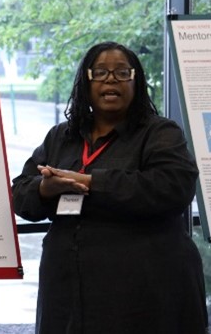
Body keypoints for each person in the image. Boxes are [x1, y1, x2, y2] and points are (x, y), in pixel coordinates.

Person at [12, 41, 208, 333]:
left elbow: (173, 186)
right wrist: (44, 189)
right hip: (67, 288)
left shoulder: (160, 132)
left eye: (122, 73)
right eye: (100, 72)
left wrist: (91, 182)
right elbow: (19, 192)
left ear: (135, 81)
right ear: (85, 82)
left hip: (143, 289)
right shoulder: (61, 136)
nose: (111, 80)